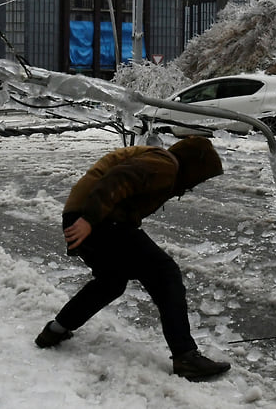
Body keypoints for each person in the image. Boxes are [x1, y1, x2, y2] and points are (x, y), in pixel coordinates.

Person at [35, 135, 232, 382]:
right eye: (199, 178)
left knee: (111, 281)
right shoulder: (166, 164)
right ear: (193, 165)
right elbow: (119, 178)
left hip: (87, 216)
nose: (193, 186)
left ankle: (55, 330)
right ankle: (186, 356)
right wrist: (89, 219)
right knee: (165, 272)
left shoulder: (161, 161)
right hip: (97, 218)